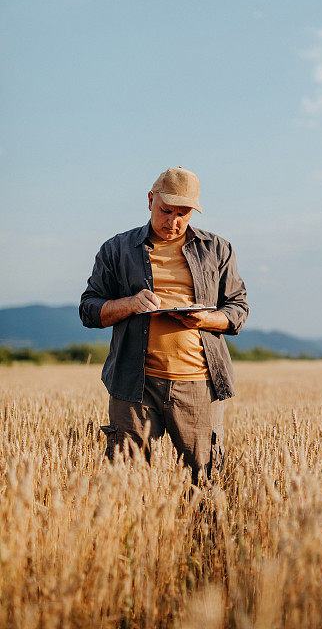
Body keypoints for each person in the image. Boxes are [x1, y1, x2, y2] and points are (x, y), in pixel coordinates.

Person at [79, 166, 249, 485]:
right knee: (126, 483)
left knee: (205, 483)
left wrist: (203, 319)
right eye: (165, 210)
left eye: (182, 213)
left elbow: (238, 310)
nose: (173, 222)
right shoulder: (116, 250)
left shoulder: (217, 249)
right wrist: (130, 303)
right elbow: (89, 310)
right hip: (134, 383)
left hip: (198, 384)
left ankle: (200, 536)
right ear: (149, 201)